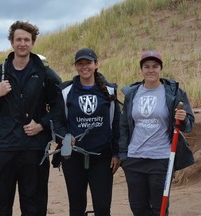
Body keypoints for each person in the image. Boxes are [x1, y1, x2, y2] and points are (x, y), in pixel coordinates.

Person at [0, 20, 61, 216]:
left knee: (35, 207)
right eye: (18, 39)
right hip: (3, 149)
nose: (22, 43)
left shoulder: (44, 74)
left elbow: (60, 107)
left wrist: (42, 125)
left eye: (27, 40)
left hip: (34, 149)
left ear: (33, 43)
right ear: (12, 42)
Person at [118, 50, 195, 216]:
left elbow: (188, 125)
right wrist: (124, 155)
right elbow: (123, 125)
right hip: (134, 158)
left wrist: (182, 119)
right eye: (146, 66)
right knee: (138, 208)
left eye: (155, 66)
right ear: (142, 70)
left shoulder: (173, 93)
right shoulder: (132, 93)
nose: (150, 70)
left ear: (160, 69)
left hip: (160, 158)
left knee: (159, 208)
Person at [53, 48, 120, 216]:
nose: (85, 67)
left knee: (103, 208)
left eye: (88, 63)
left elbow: (117, 124)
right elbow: (57, 122)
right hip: (73, 158)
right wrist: (65, 137)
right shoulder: (65, 91)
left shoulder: (109, 90)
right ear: (75, 66)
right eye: (80, 64)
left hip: (102, 157)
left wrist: (117, 153)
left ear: (96, 64)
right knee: (76, 207)